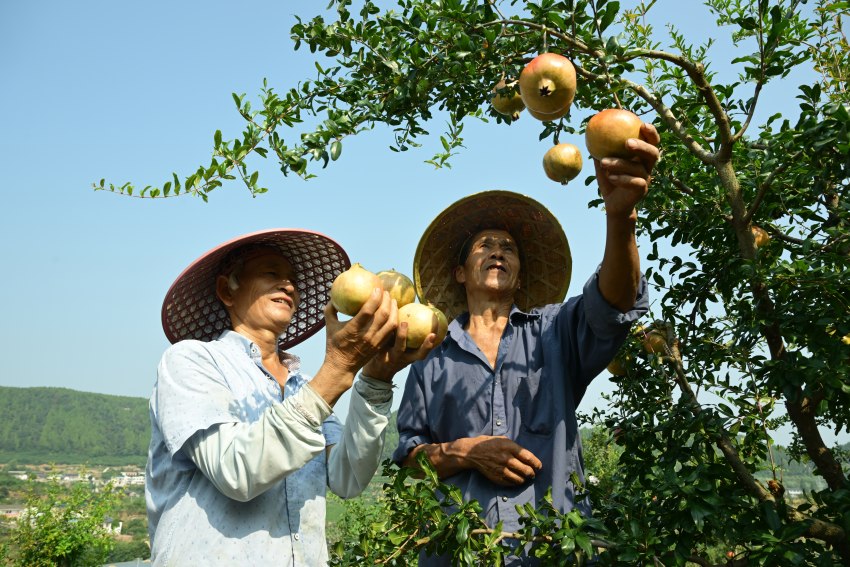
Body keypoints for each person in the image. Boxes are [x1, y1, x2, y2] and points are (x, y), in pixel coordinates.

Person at [391, 124, 660, 565]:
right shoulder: (430, 356)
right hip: (462, 552)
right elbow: (409, 458)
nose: (498, 251)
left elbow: (613, 303)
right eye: (484, 245)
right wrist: (466, 452)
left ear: (518, 274)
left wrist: (621, 218)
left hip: (553, 550)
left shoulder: (554, 332)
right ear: (460, 273)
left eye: (509, 248)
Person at [145, 228, 436, 566]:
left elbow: (348, 477)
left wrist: (376, 379)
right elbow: (236, 471)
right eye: (271, 273)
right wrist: (337, 370)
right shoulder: (191, 362)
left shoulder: (303, 387)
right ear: (227, 290)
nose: (288, 286)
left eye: (293, 281)